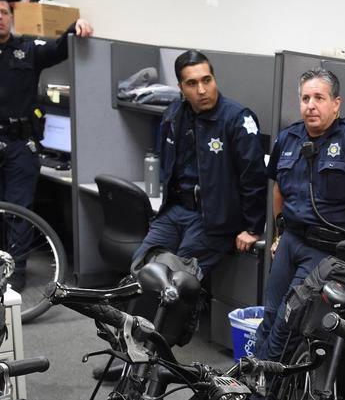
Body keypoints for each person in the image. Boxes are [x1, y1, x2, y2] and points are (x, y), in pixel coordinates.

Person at [232, 68, 345, 400]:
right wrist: (277, 233)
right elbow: (277, 192)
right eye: (305, 98)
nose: (311, 106)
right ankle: (249, 391)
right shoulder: (289, 139)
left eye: (319, 98)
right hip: (292, 243)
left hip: (326, 251)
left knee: (286, 328)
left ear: (336, 104)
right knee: (271, 316)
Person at [92, 50, 269, 382]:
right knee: (140, 268)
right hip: (176, 210)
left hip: (213, 218)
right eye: (192, 83)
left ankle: (152, 360)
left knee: (174, 280)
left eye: (207, 80)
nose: (202, 89)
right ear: (180, 86)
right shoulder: (174, 114)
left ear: (214, 79)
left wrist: (252, 227)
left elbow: (254, 177)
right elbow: (168, 161)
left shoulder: (236, 119)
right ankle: (129, 351)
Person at [0, 0, 93, 291]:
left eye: (4, 12)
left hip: (21, 144)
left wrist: (76, 25)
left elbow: (58, 48)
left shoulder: (27, 48)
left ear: (11, 16)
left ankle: (16, 273)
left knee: (19, 210)